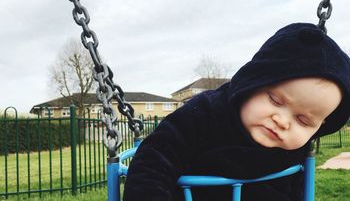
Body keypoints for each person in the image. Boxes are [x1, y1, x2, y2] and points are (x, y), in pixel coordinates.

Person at [123, 23, 350, 201]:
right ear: (253, 82)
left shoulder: (293, 150)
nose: (282, 121)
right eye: (274, 100)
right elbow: (154, 161)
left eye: (303, 120)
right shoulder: (203, 114)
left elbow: (295, 193)